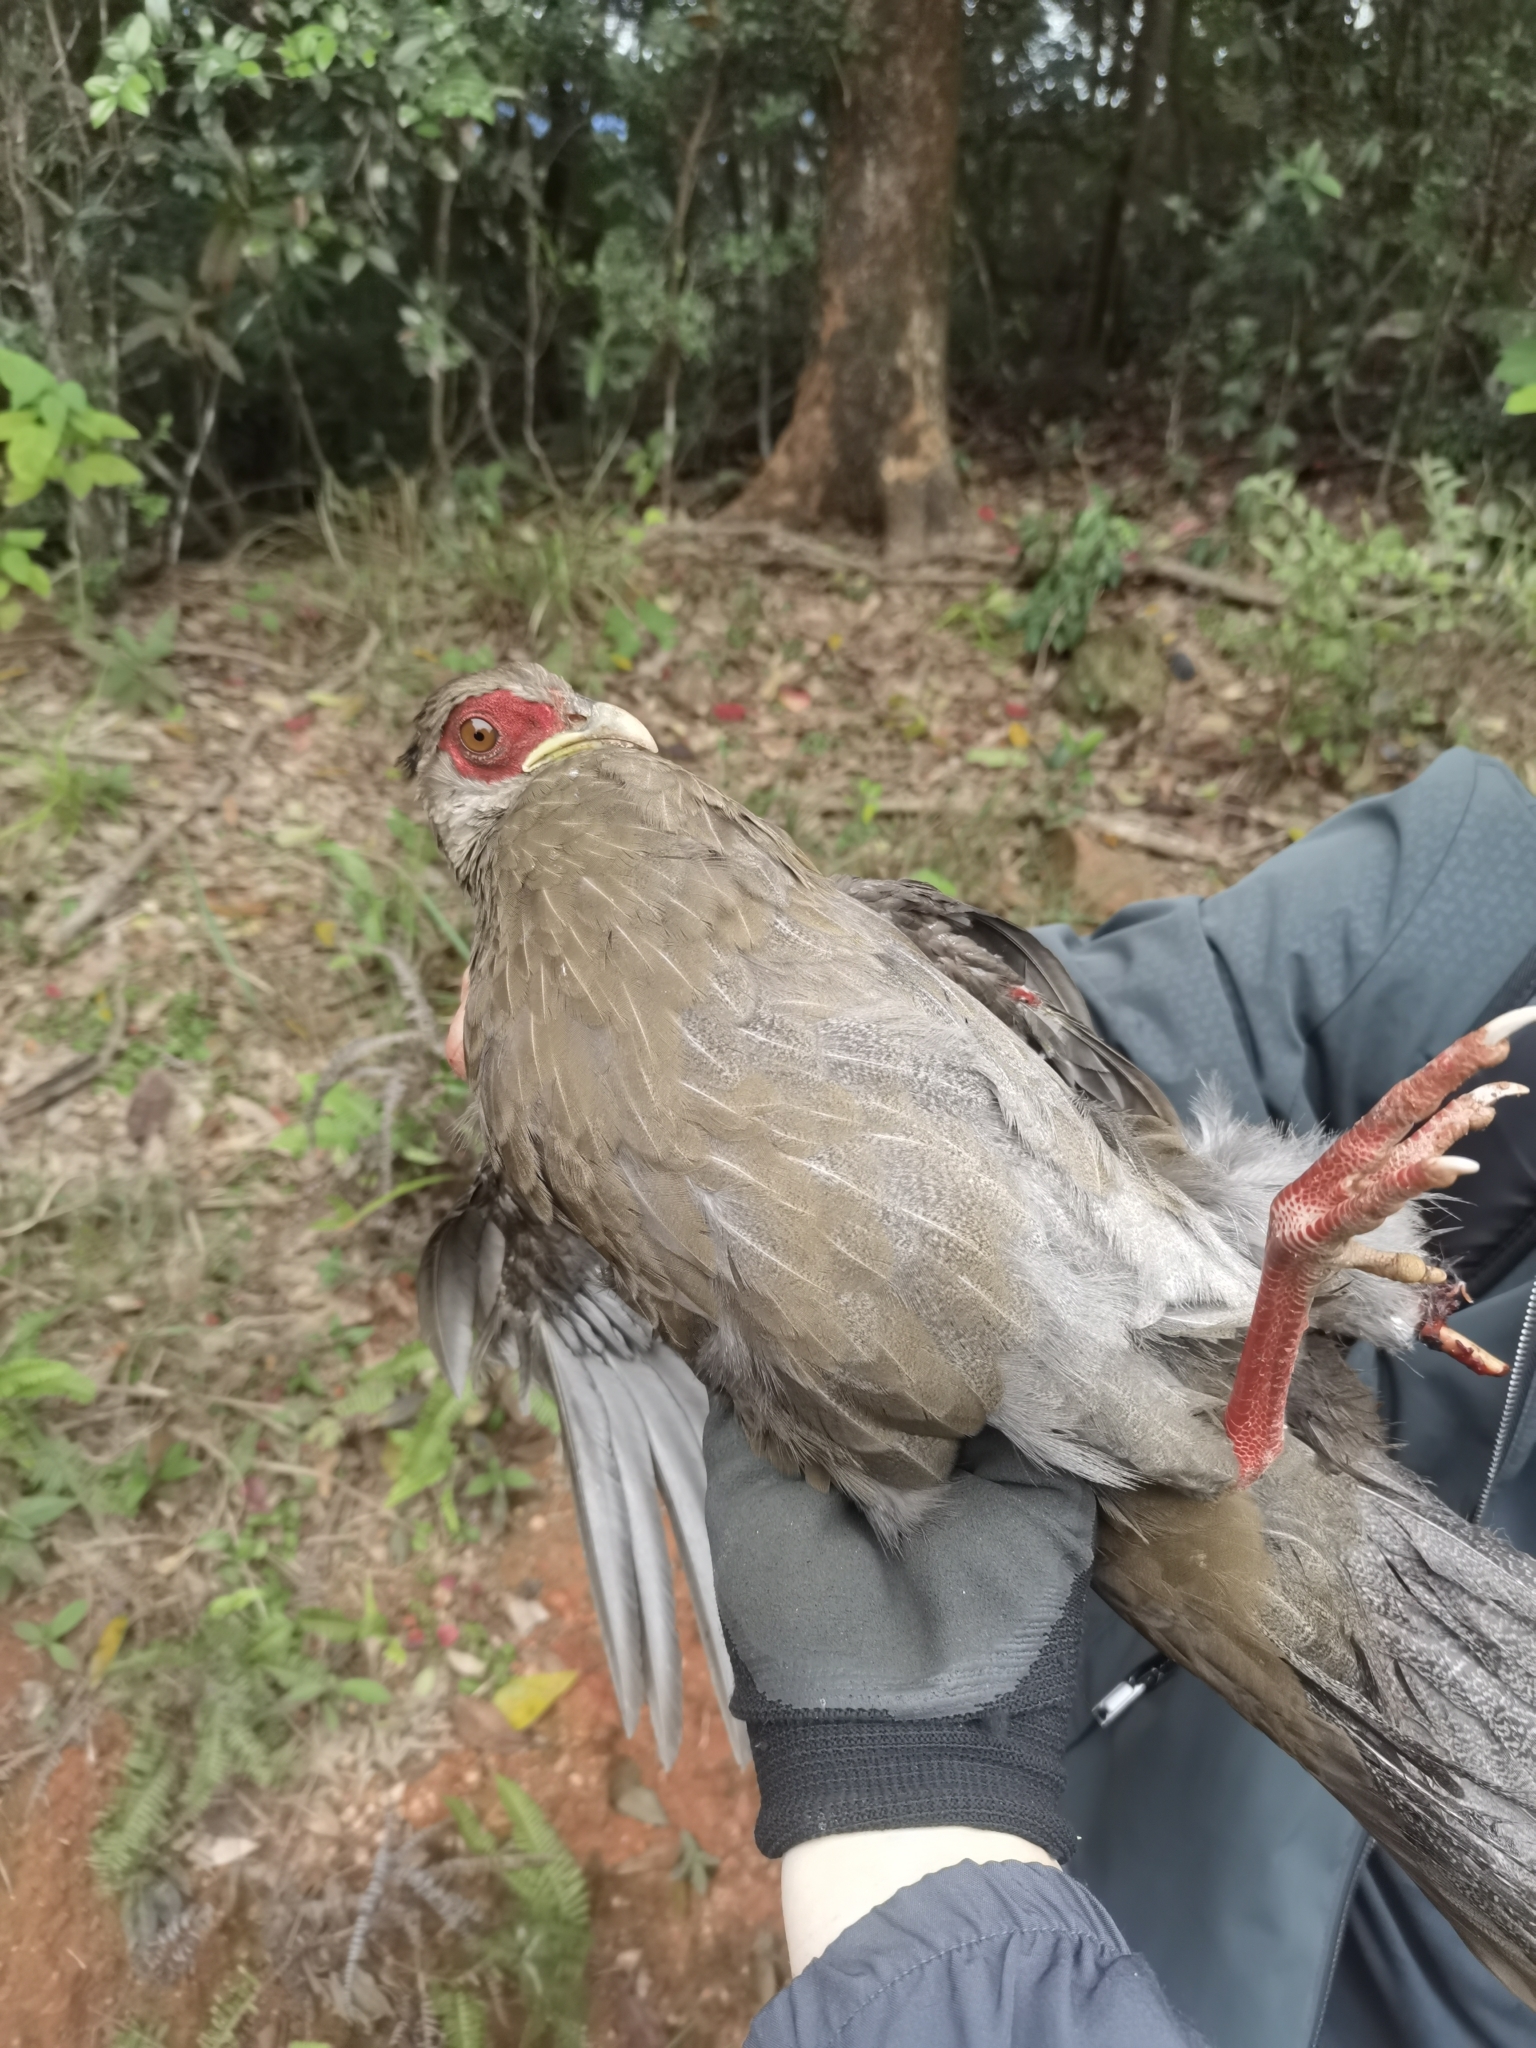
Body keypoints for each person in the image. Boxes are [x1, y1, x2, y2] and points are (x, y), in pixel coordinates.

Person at [708, 746, 1536, 2048]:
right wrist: (776, 1037)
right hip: (1077, 1777)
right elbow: (1121, 1016)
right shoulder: (1484, 899)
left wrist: (909, 1838)